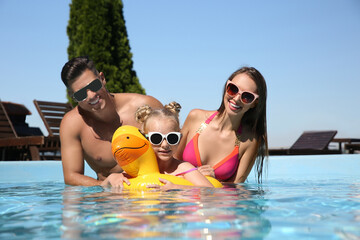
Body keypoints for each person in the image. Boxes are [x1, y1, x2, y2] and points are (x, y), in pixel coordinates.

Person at [60, 56, 163, 186]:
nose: (91, 96)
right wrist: (104, 184)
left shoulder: (145, 106)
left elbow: (175, 150)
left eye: (94, 85)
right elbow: (71, 176)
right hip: (109, 200)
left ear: (102, 79)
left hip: (152, 190)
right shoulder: (72, 124)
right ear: (72, 96)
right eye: (81, 94)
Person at [174, 66, 268, 183]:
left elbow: (237, 188)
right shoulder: (195, 117)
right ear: (226, 87)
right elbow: (170, 164)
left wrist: (214, 181)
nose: (237, 98)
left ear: (255, 103)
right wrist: (195, 176)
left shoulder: (250, 141)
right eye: (233, 89)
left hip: (218, 200)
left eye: (247, 96)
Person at [135, 102, 214, 190]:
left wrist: (176, 187)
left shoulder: (183, 168)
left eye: (172, 138)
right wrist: (117, 177)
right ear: (145, 139)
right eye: (156, 138)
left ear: (179, 139)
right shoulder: (137, 166)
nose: (165, 145)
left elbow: (209, 189)